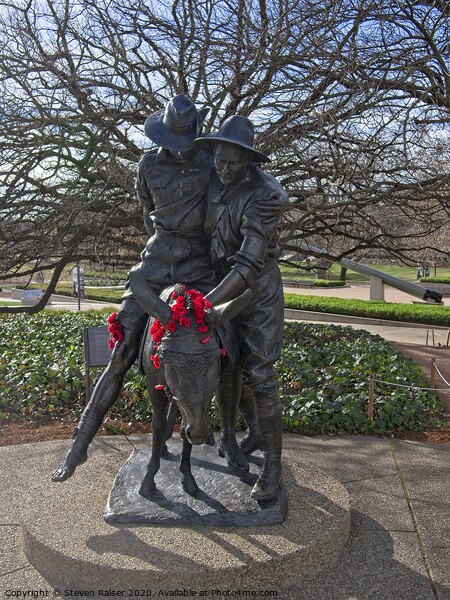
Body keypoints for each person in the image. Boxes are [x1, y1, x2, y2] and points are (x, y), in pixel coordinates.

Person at [52, 95, 216, 482]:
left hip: (199, 264)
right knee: (122, 351)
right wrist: (162, 252)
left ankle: (234, 433)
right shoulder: (147, 164)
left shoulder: (211, 162)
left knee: (220, 341)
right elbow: (147, 213)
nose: (178, 150)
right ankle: (80, 445)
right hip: (156, 260)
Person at [194, 115, 288, 502]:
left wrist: (204, 303)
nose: (224, 168)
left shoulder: (265, 195)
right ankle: (240, 434)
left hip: (257, 291)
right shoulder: (215, 177)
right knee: (228, 364)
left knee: (260, 374)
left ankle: (272, 465)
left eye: (233, 162)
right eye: (219, 160)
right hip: (219, 283)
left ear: (249, 160)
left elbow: (249, 263)